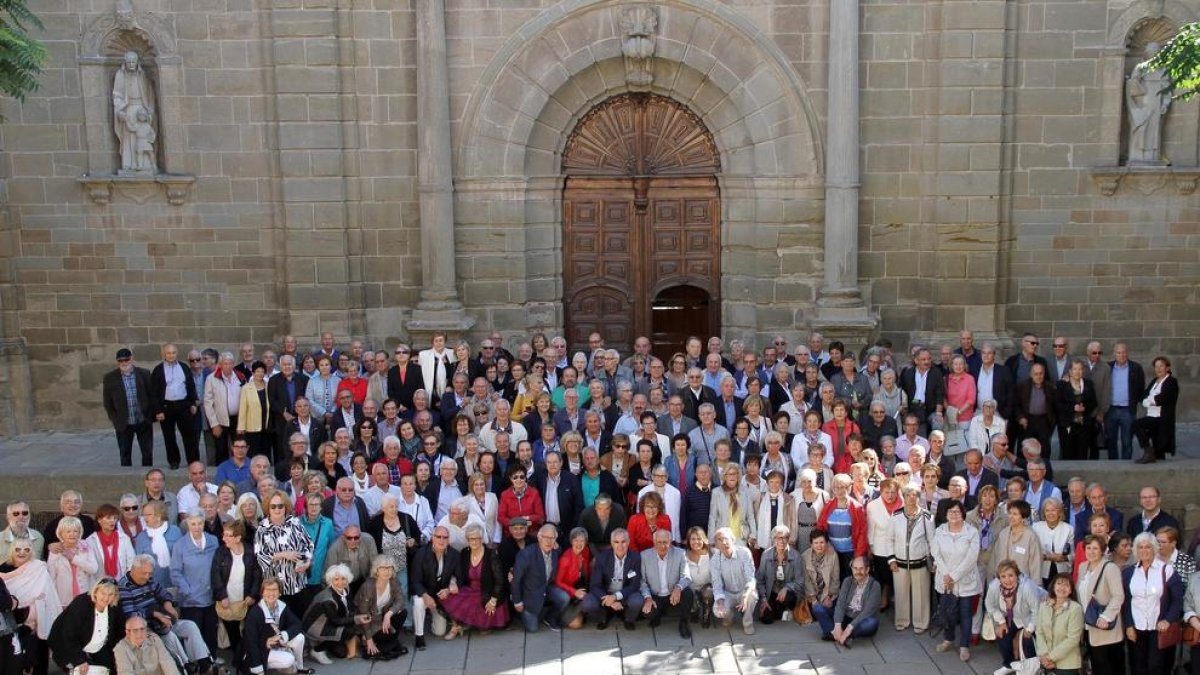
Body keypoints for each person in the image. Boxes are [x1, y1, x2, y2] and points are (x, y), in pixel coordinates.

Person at [117, 555, 215, 675]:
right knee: (169, 635)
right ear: (133, 569)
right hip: (146, 628)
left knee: (190, 626)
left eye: (150, 573)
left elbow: (164, 594)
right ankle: (187, 666)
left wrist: (168, 605)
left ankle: (204, 666)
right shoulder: (124, 587)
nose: (147, 577)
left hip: (162, 620)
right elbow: (130, 615)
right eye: (144, 573)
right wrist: (155, 614)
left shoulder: (149, 579)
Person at [1121, 532, 1183, 675]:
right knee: (1137, 667)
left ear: (1154, 548)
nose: (1144, 550)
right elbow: (1125, 601)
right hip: (1137, 628)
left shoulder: (1166, 570)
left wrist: (1168, 619)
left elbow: (1177, 599)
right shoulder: (1129, 572)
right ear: (1136, 550)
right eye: (1140, 547)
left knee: (1156, 667)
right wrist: (1129, 624)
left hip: (1159, 629)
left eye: (1148, 547)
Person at [931, 499, 981, 662]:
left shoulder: (972, 532)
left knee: (965, 613)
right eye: (950, 512)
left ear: (963, 514)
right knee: (948, 611)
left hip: (965, 579)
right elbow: (936, 552)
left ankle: (964, 646)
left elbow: (971, 557)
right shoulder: (939, 531)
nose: (954, 515)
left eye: (957, 512)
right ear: (945, 514)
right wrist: (946, 574)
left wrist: (954, 576)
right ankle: (948, 639)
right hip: (945, 581)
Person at [440, 524, 509, 638]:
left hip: (488, 592)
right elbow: (458, 574)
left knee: (484, 629)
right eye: (471, 539)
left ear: (482, 539)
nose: (475, 541)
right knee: (449, 598)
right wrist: (453, 584)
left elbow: (499, 580)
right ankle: (456, 626)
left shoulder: (491, 554)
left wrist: (493, 600)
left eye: (477, 538)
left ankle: (465, 625)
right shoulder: (465, 553)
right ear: (467, 540)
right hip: (469, 590)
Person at [47, 577, 124, 675]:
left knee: (113, 670)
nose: (106, 598)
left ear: (115, 596)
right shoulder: (81, 603)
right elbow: (68, 635)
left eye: (110, 594)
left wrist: (119, 655)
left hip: (100, 647)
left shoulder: (114, 605)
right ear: (95, 592)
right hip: (71, 647)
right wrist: (79, 660)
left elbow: (119, 631)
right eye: (103, 593)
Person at [984, 560, 1046, 673]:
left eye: (1010, 575)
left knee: (1027, 638)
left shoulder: (1028, 587)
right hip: (1014, 616)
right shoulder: (995, 586)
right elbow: (989, 604)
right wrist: (1001, 621)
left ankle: (1031, 668)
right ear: (999, 578)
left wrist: (1030, 628)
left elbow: (1036, 610)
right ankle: (1009, 664)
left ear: (1017, 575)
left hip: (1037, 614)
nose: (1007, 580)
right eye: (1003, 576)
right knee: (1002, 633)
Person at [169, 512, 218, 653]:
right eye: (193, 524)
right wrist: (188, 591)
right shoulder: (180, 545)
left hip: (211, 597)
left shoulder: (213, 540)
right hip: (190, 599)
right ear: (188, 524)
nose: (197, 527)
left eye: (200, 523)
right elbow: (175, 572)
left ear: (204, 523)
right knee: (194, 634)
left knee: (210, 633)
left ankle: (212, 661)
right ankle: (197, 664)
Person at [239, 577, 311, 675]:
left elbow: (297, 624)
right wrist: (258, 670)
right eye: (268, 590)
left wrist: (282, 636)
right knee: (288, 660)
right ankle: (269, 667)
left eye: (274, 590)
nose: (271, 593)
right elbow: (251, 643)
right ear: (262, 593)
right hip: (260, 648)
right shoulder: (255, 613)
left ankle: (299, 667)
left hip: (275, 643)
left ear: (279, 592)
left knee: (300, 637)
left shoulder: (282, 606)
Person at [254, 493, 314, 608]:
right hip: (276, 588)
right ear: (268, 508)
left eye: (280, 506)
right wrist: (284, 554)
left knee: (300, 620)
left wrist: (307, 562)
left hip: (298, 583)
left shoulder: (294, 522)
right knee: (280, 623)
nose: (277, 509)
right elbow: (260, 556)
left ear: (285, 507)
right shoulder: (262, 529)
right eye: (273, 506)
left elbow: (308, 545)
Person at [1077, 533, 1125, 675]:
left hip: (1104, 626)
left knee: (1108, 666)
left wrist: (1106, 617)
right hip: (1088, 625)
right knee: (1096, 665)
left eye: (1095, 548)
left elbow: (1118, 596)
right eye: (1088, 548)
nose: (1091, 552)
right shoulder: (1082, 567)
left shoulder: (1110, 568)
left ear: (1103, 550)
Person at [887, 485, 933, 633]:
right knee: (900, 593)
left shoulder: (927, 517)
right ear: (903, 497)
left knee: (921, 594)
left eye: (915, 495)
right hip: (899, 563)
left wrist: (935, 561)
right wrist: (891, 559)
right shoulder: (896, 515)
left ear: (919, 498)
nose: (911, 498)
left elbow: (932, 541)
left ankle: (920, 623)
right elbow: (889, 539)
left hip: (920, 563)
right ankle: (902, 621)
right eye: (908, 495)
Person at [211, 520, 259, 659]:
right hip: (228, 600)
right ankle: (239, 659)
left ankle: (250, 657)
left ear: (238, 538)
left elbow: (257, 575)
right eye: (223, 534)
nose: (224, 538)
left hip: (246, 600)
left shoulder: (250, 551)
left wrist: (253, 595)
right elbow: (215, 575)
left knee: (249, 630)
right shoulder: (220, 552)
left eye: (228, 535)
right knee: (233, 632)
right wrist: (222, 596)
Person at [408, 525, 459, 649]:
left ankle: (433, 616)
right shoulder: (421, 553)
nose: (441, 540)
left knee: (439, 632)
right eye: (438, 537)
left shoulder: (454, 554)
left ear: (449, 539)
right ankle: (419, 636)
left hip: (441, 597)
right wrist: (425, 596)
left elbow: (460, 577)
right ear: (432, 538)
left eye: (445, 537)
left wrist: (449, 588)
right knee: (419, 601)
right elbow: (415, 580)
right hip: (424, 592)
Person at [102, 348, 155, 467]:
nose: (124, 363)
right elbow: (107, 402)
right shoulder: (110, 378)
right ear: (117, 362)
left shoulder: (144, 374)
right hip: (124, 422)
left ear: (131, 359)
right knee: (125, 453)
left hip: (142, 420)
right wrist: (115, 419)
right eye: (121, 361)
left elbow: (151, 395)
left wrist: (150, 415)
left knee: (147, 452)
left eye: (126, 360)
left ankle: (147, 476)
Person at [581, 528, 643, 630]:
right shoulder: (602, 558)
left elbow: (634, 585)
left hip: (624, 594)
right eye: (616, 542)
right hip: (605, 594)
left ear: (628, 542)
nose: (620, 546)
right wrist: (609, 600)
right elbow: (594, 585)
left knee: (637, 600)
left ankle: (628, 619)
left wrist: (615, 597)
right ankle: (603, 618)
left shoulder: (635, 558)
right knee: (588, 603)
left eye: (623, 542)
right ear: (611, 543)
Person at [511, 524, 567, 633]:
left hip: (546, 587)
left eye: (552, 538)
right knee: (532, 629)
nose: (548, 541)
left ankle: (550, 617)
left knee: (564, 598)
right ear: (539, 537)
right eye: (545, 537)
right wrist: (517, 602)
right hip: (530, 593)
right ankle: (525, 614)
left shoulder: (556, 551)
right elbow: (516, 580)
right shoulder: (526, 555)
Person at [639, 528, 693, 638]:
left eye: (665, 542)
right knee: (647, 612)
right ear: (654, 542)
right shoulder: (644, 556)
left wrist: (678, 588)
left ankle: (684, 622)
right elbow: (642, 581)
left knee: (688, 593)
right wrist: (648, 598)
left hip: (673, 593)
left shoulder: (680, 553)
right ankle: (658, 615)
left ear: (670, 542)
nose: (662, 546)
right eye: (659, 542)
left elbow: (686, 576)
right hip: (655, 595)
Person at [353, 555, 409, 660]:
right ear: (376, 570)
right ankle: (369, 641)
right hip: (367, 622)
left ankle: (387, 644)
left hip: (382, 618)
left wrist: (389, 614)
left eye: (389, 568)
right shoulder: (368, 586)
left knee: (402, 612)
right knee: (385, 643)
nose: (387, 571)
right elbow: (363, 614)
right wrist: (369, 639)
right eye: (383, 568)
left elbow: (400, 600)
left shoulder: (393, 581)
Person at [301, 564, 357, 663]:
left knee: (342, 653)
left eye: (343, 578)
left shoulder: (347, 589)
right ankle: (316, 650)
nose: (340, 582)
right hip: (315, 626)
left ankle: (325, 644)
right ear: (330, 581)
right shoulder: (328, 599)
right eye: (336, 579)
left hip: (329, 623)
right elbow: (336, 621)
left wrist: (353, 617)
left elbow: (350, 608)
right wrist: (355, 619)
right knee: (350, 631)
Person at [816, 474, 868, 578]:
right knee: (834, 579)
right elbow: (820, 527)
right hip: (831, 552)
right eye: (836, 487)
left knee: (849, 579)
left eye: (843, 487)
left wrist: (858, 555)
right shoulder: (828, 505)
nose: (839, 491)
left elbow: (863, 533)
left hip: (850, 552)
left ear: (849, 488)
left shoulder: (857, 508)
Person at [711, 526, 757, 635]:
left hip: (743, 590)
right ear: (716, 545)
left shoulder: (744, 553)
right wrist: (721, 603)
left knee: (752, 596)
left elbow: (751, 578)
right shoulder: (714, 560)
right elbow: (717, 584)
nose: (724, 542)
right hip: (728, 592)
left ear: (733, 540)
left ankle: (747, 622)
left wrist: (745, 596)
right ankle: (729, 616)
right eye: (720, 540)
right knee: (717, 610)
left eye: (726, 538)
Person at [1035, 574, 1084, 675]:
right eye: (1059, 584)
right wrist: (1044, 655)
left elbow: (1073, 639)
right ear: (1053, 586)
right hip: (1045, 661)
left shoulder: (1075, 609)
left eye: (1066, 585)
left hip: (1067, 664)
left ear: (1071, 590)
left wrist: (1050, 657)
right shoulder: (1044, 606)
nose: (1062, 587)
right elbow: (1039, 632)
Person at [47, 516, 99, 609]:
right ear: (61, 534)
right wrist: (53, 599)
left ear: (80, 532)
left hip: (85, 595)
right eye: (68, 531)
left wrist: (73, 558)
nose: (72, 534)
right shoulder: (55, 550)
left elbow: (93, 569)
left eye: (75, 531)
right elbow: (51, 576)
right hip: (63, 598)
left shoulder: (86, 546)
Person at [1133, 356, 1178, 463]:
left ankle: (1149, 453)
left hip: (1161, 418)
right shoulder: (1155, 381)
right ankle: (1149, 451)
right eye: (1156, 366)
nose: (1158, 369)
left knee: (1137, 425)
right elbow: (1144, 396)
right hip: (1151, 416)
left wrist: (1149, 401)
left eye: (1161, 366)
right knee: (1137, 427)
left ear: (1167, 368)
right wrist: (1147, 400)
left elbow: (1162, 398)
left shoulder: (1171, 381)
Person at [830, 556, 881, 648]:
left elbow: (868, 611)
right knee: (819, 609)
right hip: (847, 616)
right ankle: (839, 633)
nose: (858, 572)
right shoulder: (847, 581)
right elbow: (840, 603)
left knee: (872, 623)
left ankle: (842, 635)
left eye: (861, 568)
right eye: (855, 568)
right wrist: (838, 624)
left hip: (861, 619)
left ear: (867, 569)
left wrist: (849, 628)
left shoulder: (875, 585)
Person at [754, 524, 800, 625]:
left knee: (789, 597)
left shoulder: (795, 555)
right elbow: (760, 580)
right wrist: (764, 599)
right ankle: (779, 611)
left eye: (785, 538)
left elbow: (799, 581)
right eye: (778, 538)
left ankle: (787, 609)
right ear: (773, 539)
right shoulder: (766, 554)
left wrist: (786, 588)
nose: (782, 541)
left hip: (787, 594)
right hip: (772, 593)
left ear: (788, 539)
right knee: (766, 619)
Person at [991, 500, 1043, 582]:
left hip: (1023, 583)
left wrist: (1035, 587)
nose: (1011, 516)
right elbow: (996, 559)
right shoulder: (1003, 533)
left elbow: (1036, 564)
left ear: (1023, 517)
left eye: (1015, 514)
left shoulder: (1031, 536)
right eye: (1010, 513)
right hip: (1003, 582)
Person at [113, 615, 183, 675]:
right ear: (127, 632)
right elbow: (125, 673)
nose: (139, 634)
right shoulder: (120, 649)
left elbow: (167, 662)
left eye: (142, 629)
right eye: (135, 630)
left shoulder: (154, 639)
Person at [133, 502, 181, 589]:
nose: (145, 518)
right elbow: (138, 565)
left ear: (159, 515)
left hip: (175, 584)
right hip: (151, 587)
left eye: (148, 515)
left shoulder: (175, 532)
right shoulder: (141, 537)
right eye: (144, 515)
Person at [802, 529, 839, 638]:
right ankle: (832, 632)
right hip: (811, 594)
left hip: (827, 593)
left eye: (822, 542)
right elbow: (806, 580)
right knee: (817, 609)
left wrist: (830, 596)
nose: (819, 546)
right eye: (816, 543)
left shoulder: (833, 555)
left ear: (826, 543)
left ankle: (829, 632)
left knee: (825, 608)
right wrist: (813, 599)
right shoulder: (804, 556)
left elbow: (835, 579)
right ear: (811, 544)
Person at [554, 527, 592, 630]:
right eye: (576, 540)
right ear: (571, 541)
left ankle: (582, 611)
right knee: (576, 625)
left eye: (582, 540)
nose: (579, 544)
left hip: (582, 588)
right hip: (569, 594)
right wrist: (574, 592)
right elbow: (558, 582)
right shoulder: (565, 559)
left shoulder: (586, 551)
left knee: (590, 603)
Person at [1032, 498, 1073, 588]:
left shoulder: (1069, 529)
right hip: (1041, 571)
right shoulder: (1036, 527)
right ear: (1043, 513)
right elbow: (1031, 552)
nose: (1050, 513)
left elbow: (1074, 554)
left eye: (1054, 510)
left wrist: (1063, 558)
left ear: (1060, 512)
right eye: (1047, 510)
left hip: (1062, 572)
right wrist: (1046, 556)